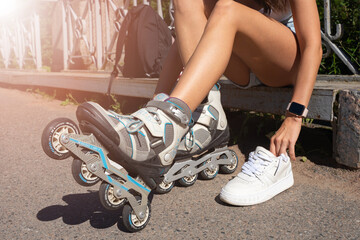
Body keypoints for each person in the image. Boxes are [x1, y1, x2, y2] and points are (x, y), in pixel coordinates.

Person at [84, 0, 322, 205]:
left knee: (228, 8)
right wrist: (155, 104)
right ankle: (182, 115)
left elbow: (313, 46)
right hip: (244, 66)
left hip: (286, 64)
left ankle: (175, 118)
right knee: (190, 4)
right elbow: (186, 39)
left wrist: (294, 117)